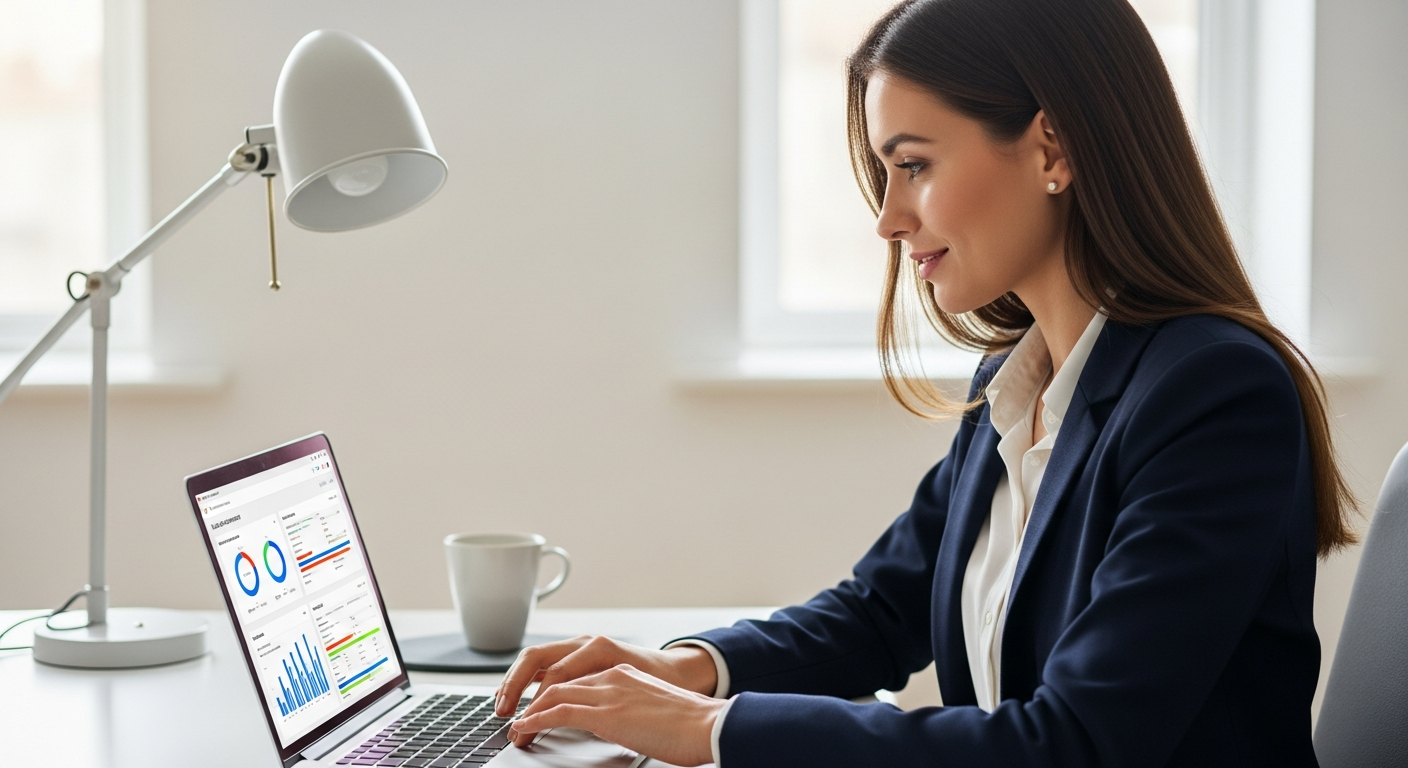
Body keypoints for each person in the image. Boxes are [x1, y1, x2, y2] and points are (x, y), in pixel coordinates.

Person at [492, 0, 1357, 765]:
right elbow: (881, 611)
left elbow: (1078, 742)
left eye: (913, 166)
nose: (887, 219)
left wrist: (711, 729)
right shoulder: (1015, 383)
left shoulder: (1213, 393)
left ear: (1052, 146)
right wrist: (683, 670)